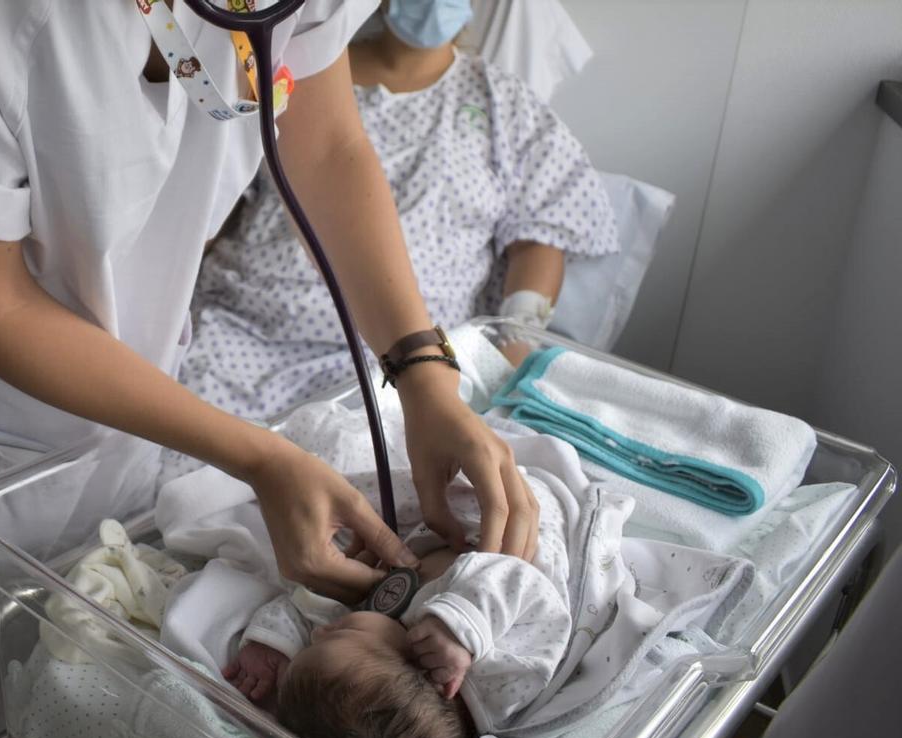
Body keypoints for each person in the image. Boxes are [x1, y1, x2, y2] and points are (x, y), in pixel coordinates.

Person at [0, 0, 540, 738]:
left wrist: (423, 372)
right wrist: (259, 457)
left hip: (131, 400)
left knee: (61, 712)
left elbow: (327, 147)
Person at [178, 0, 618, 422]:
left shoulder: (502, 104)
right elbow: (218, 189)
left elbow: (542, 234)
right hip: (242, 331)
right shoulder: (290, 70)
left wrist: (511, 350)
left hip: (407, 361)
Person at [222, 465, 573, 738]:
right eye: (340, 631)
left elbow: (314, 606)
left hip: (433, 528)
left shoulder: (371, 646)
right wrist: (459, 627)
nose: (319, 632)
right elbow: (530, 588)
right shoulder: (502, 683)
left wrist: (274, 643)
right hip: (514, 520)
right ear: (423, 665)